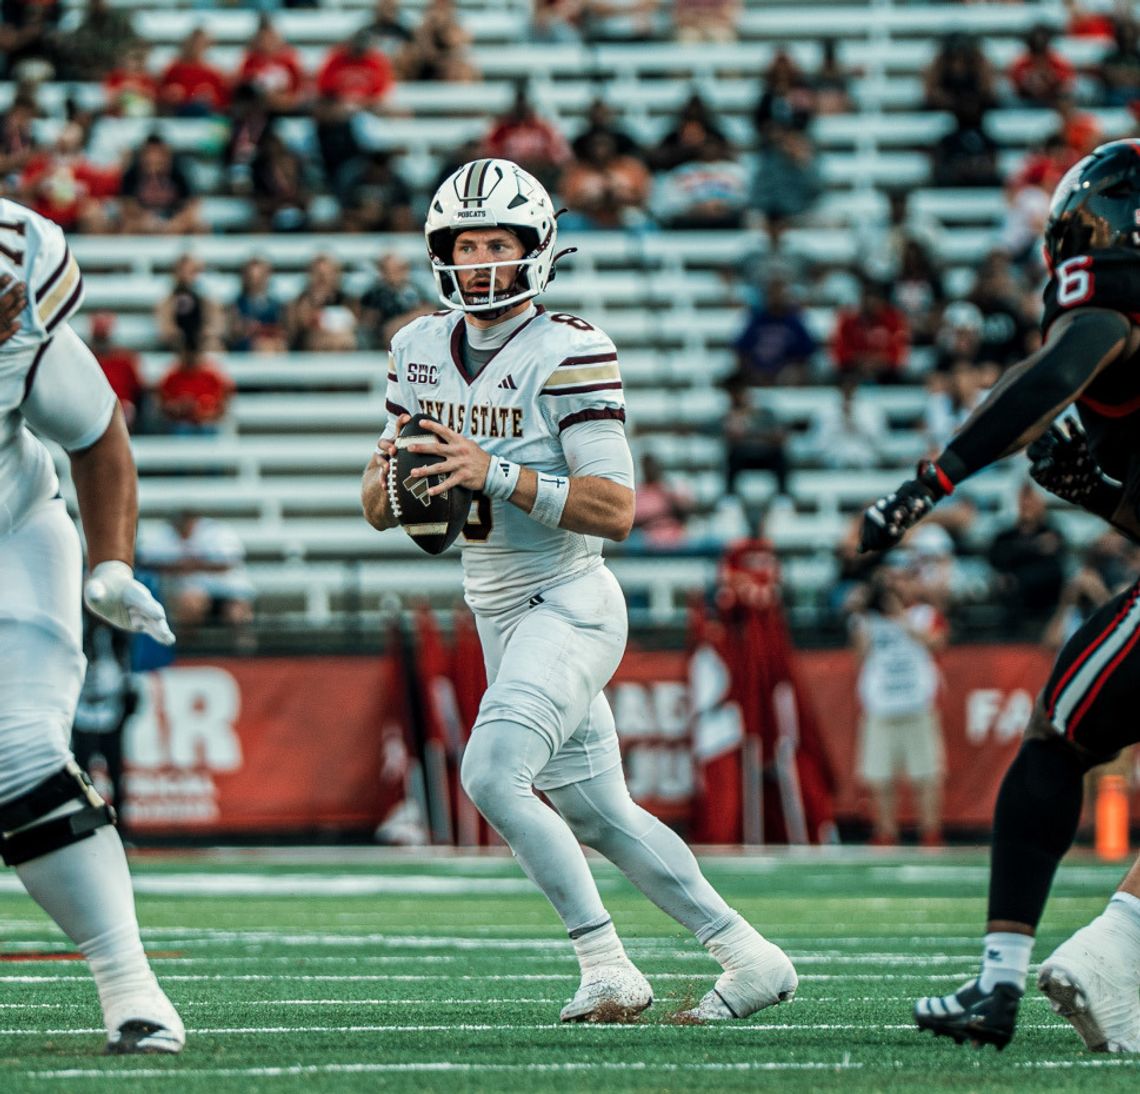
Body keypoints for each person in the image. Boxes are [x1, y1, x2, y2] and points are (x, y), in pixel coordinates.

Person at [362, 157, 797, 1024]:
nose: (482, 261)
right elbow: (380, 509)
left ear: (538, 248)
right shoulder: (415, 347)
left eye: (499, 242)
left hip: (570, 601)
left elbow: (617, 509)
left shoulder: (571, 349)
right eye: (467, 243)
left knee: (490, 775)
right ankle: (750, 957)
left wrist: (497, 474)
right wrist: (395, 482)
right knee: (601, 814)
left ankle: (604, 963)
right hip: (495, 610)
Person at [859, 140, 1140, 1053]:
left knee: (1059, 737)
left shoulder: (1109, 310)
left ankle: (1002, 981)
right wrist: (1099, 497)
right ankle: (1108, 959)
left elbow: (1062, 367)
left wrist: (931, 480)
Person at [0, 196, 183, 1052]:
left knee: (22, 760)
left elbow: (97, 431)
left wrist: (110, 563)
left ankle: (132, 993)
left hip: (8, 540)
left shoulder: (15, 275)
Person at [849, 564, 947, 847]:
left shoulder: (923, 615)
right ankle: (885, 832)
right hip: (880, 706)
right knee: (879, 774)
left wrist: (899, 616)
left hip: (917, 704)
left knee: (927, 772)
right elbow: (859, 657)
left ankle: (930, 833)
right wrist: (863, 609)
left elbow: (936, 643)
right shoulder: (866, 621)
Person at [71, 610, 138, 833]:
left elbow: (124, 674)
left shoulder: (117, 640)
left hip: (111, 712)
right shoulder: (79, 633)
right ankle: (83, 821)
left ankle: (120, 826)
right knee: (82, 773)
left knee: (115, 771)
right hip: (84, 712)